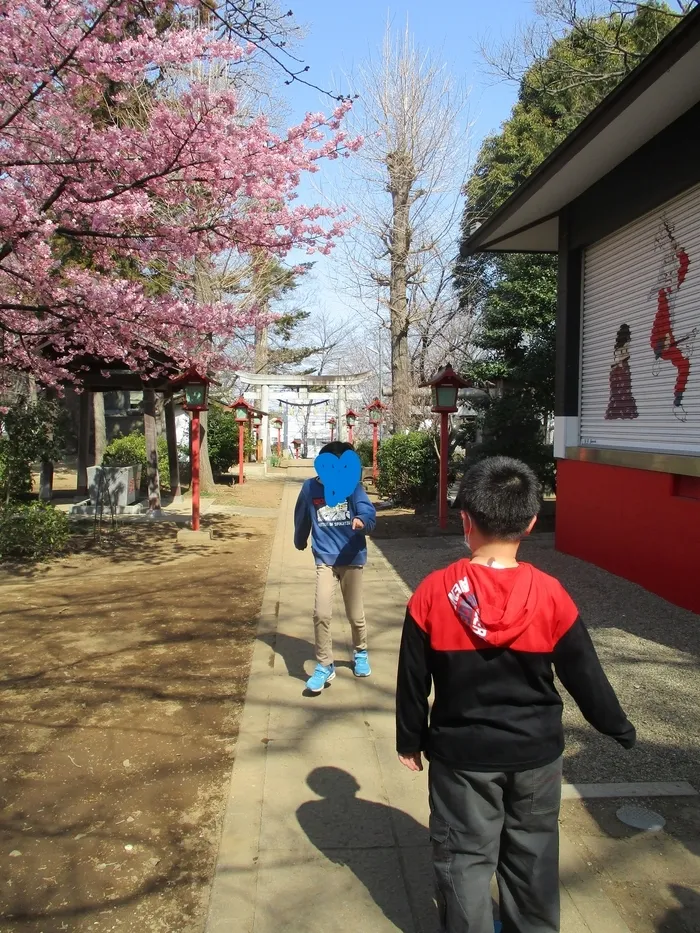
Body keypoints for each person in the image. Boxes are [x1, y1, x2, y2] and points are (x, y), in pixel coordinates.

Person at [396, 456, 636, 933]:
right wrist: (617, 725)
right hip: (536, 754)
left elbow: (412, 678)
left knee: (464, 855)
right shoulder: (550, 594)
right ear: (530, 522)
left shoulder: (432, 593)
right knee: (534, 854)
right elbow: (584, 672)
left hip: (461, 755)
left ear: (466, 519)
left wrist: (410, 738)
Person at [294, 441, 377, 693]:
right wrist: (300, 538)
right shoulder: (310, 488)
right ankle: (324, 664)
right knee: (321, 613)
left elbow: (368, 510)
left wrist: (362, 520)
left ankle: (360, 652)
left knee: (355, 615)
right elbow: (302, 516)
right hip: (325, 560)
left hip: (351, 558)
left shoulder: (353, 487)